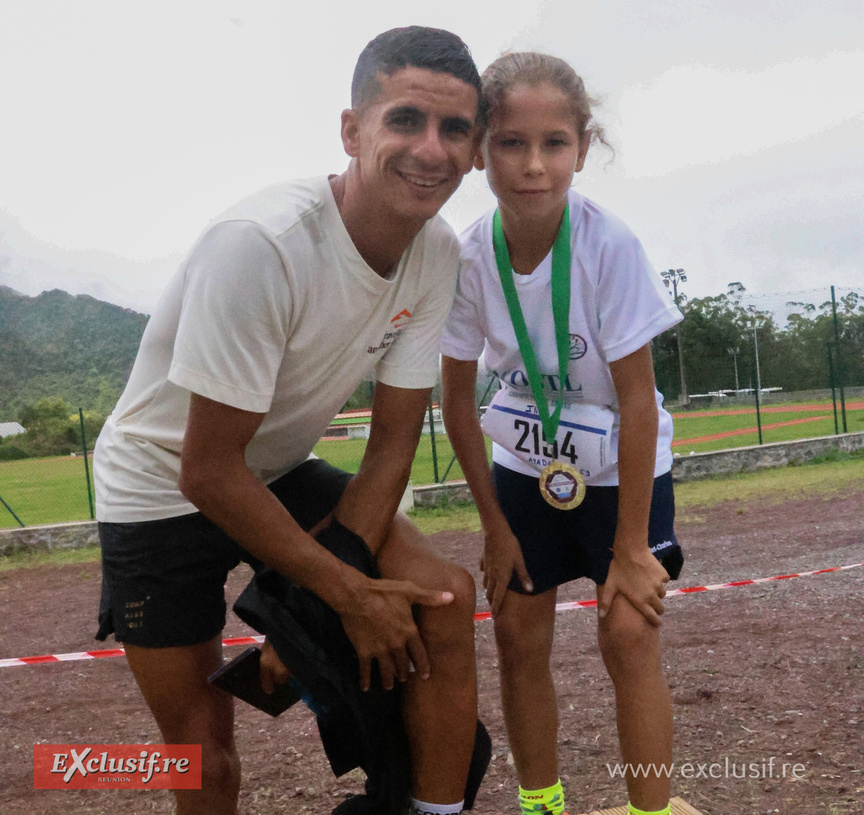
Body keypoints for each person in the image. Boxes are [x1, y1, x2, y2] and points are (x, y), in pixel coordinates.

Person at [94, 26, 486, 815]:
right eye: (405, 119)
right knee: (207, 758)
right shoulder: (261, 245)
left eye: (456, 130)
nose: (432, 149)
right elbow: (205, 470)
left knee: (442, 596)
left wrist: (313, 611)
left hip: (271, 471)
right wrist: (344, 595)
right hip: (159, 489)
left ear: (475, 150)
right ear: (352, 130)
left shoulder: (437, 250)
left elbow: (393, 446)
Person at [440, 52, 685, 815]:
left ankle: (650, 809)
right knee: (517, 638)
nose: (534, 165)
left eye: (555, 143)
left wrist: (634, 543)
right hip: (524, 469)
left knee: (628, 636)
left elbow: (638, 400)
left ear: (584, 146)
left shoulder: (609, 246)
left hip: (622, 472)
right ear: (481, 148)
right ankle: (542, 802)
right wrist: (491, 526)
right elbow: (453, 400)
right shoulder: (467, 255)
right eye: (511, 142)